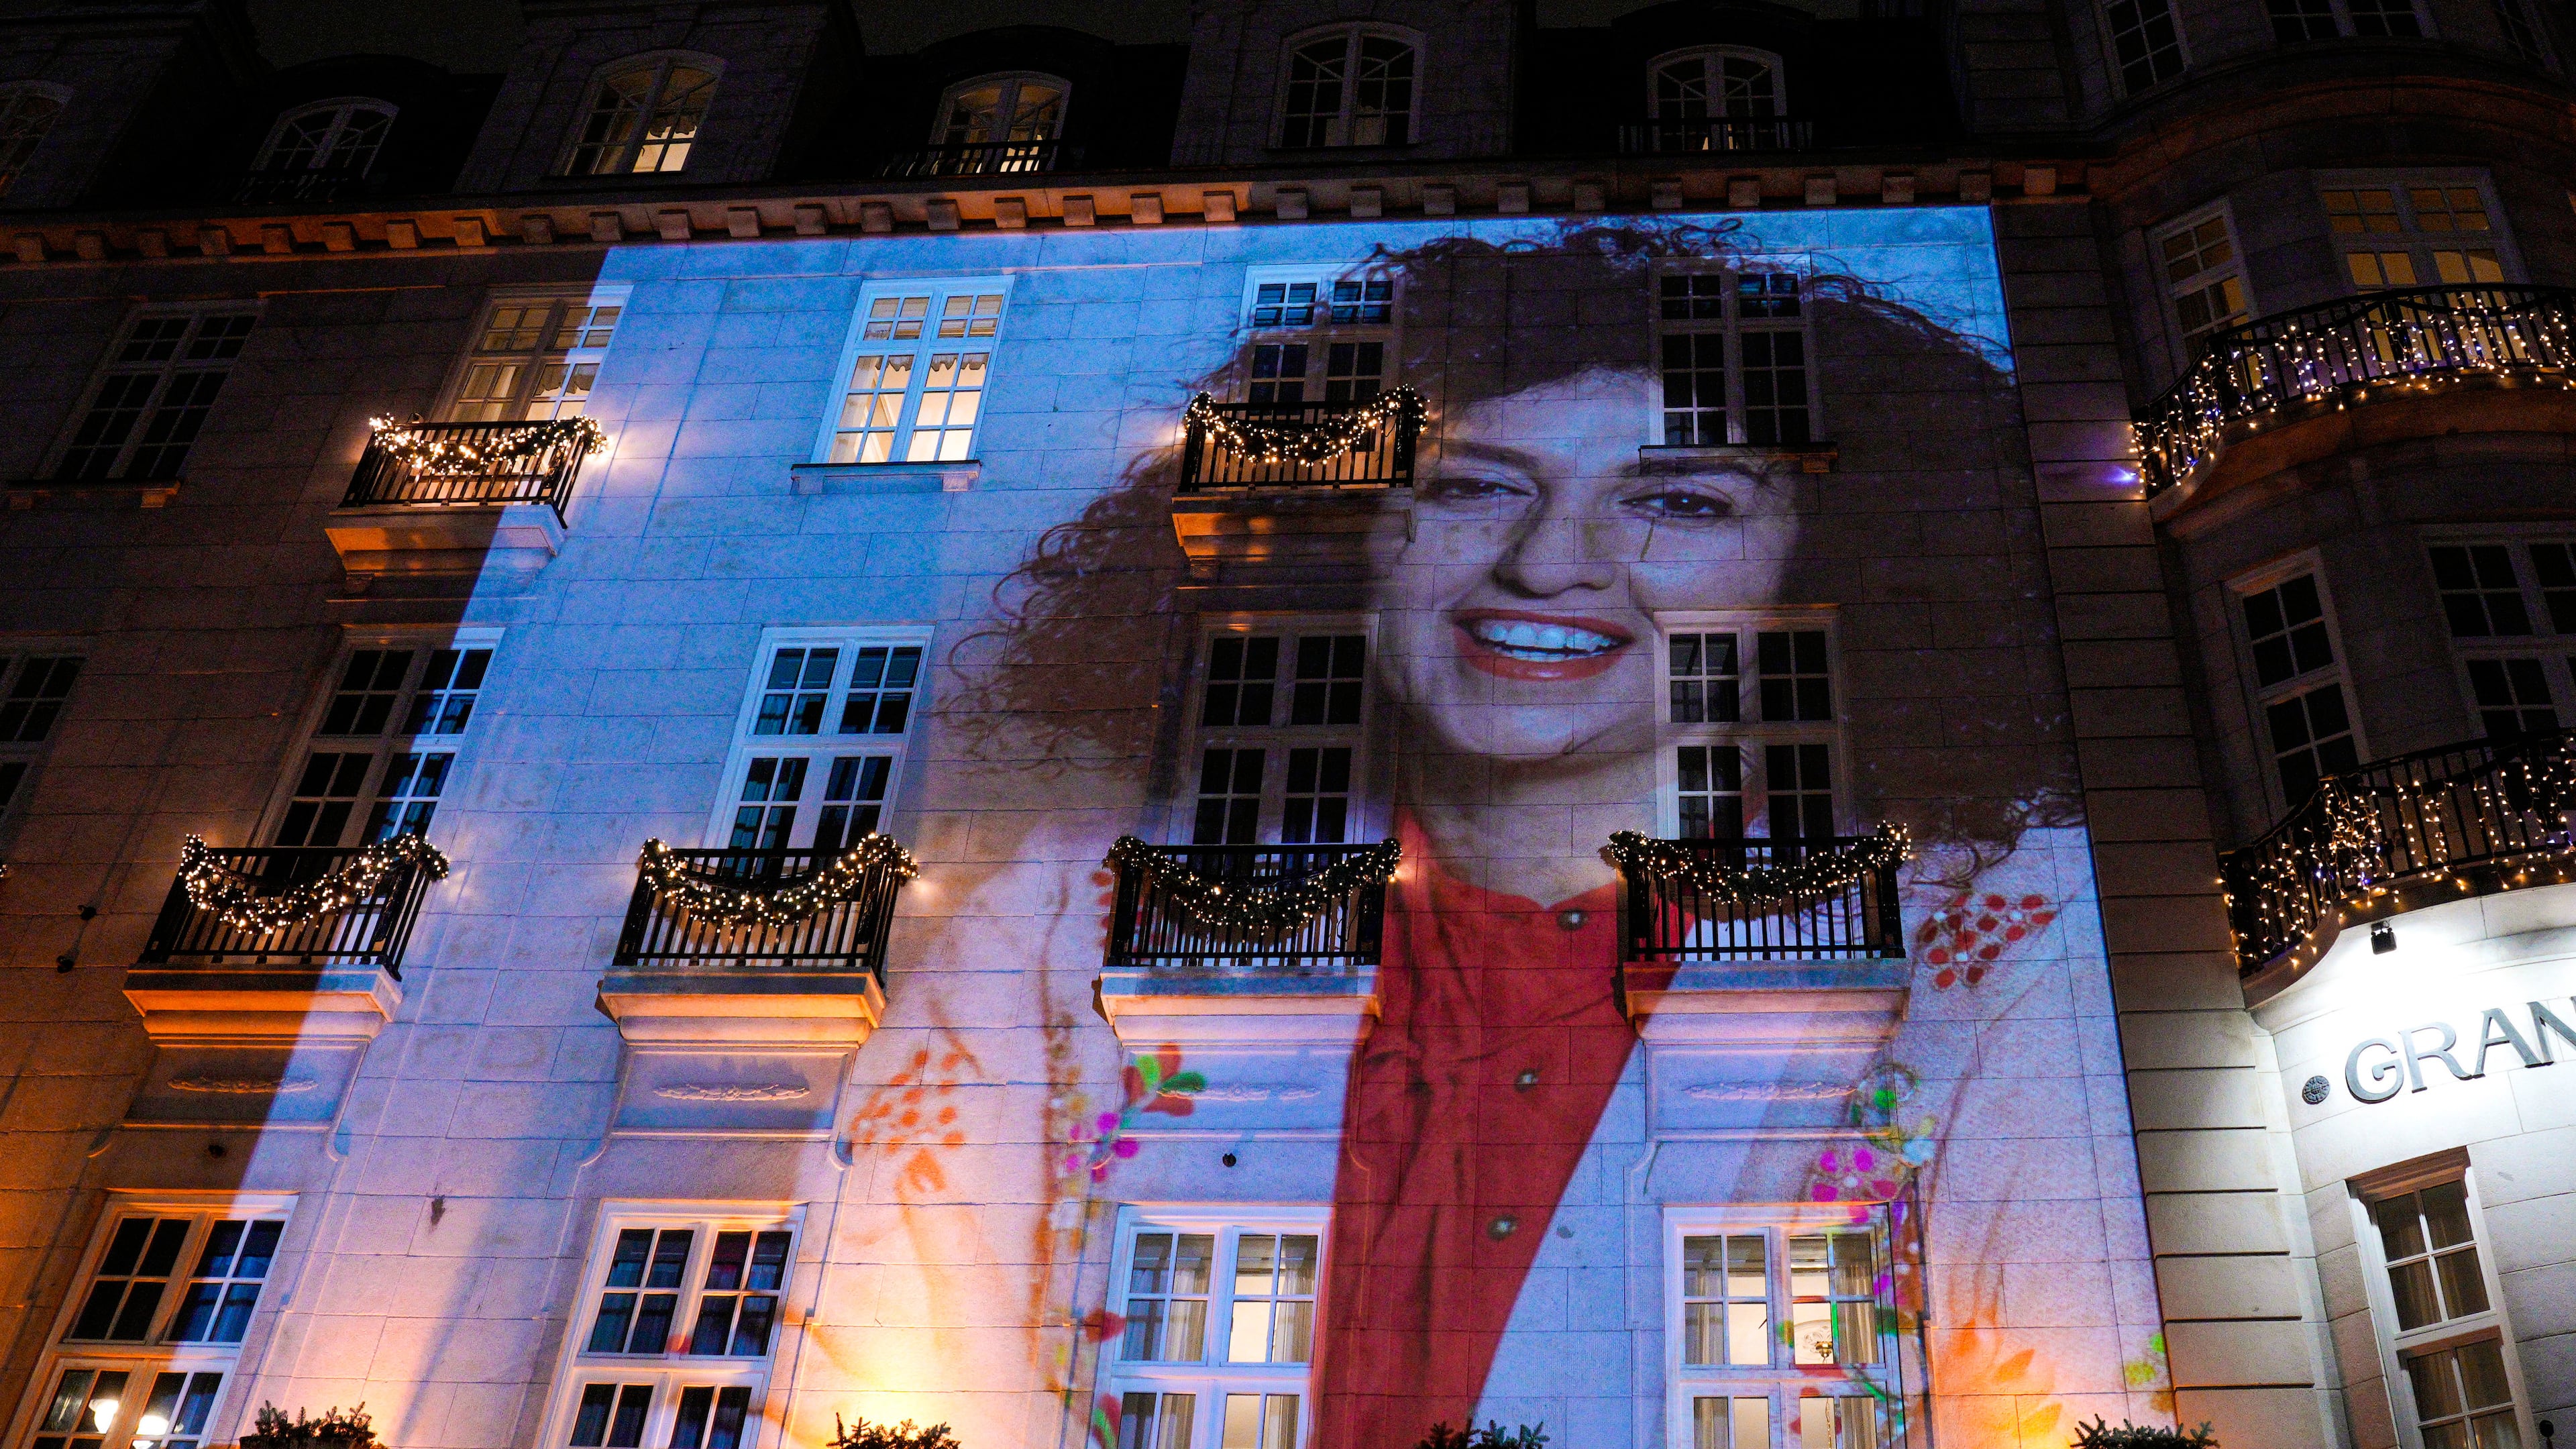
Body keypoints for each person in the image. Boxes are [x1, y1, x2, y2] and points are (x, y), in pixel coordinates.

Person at [971, 219, 2104, 1447]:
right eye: (1472, 486)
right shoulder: (1049, 920)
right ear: (1362, 532)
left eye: (1678, 500)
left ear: (1818, 561)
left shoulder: (2002, 955)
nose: (1549, 564)